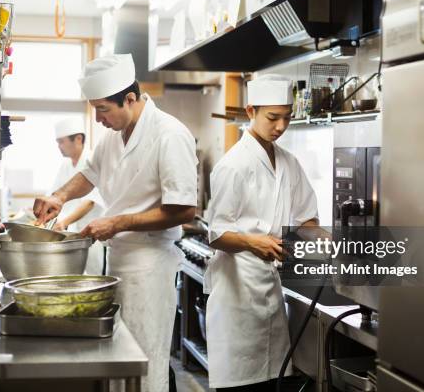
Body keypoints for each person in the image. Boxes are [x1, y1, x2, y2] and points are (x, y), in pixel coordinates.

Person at [33, 54, 198, 392]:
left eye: (103, 109)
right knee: (120, 364)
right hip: (119, 264)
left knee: (144, 363)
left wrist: (117, 223)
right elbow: (87, 176)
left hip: (150, 268)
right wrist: (59, 197)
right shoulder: (112, 136)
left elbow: (184, 210)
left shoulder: (169, 134)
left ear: (130, 99)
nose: (98, 118)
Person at [204, 74, 320, 391]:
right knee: (241, 384)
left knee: (271, 382)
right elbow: (216, 234)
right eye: (273, 117)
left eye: (287, 117)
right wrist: (252, 242)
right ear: (250, 111)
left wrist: (339, 244)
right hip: (237, 294)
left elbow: (306, 220)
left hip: (269, 288)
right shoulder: (233, 165)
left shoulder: (288, 162)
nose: (281, 126)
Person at [50, 118, 105, 275]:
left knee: (91, 280)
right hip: (68, 232)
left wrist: (64, 222)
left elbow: (90, 202)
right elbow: (54, 195)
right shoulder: (65, 165)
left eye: (61, 141)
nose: (58, 146)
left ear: (78, 139)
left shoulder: (92, 160)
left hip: (90, 233)